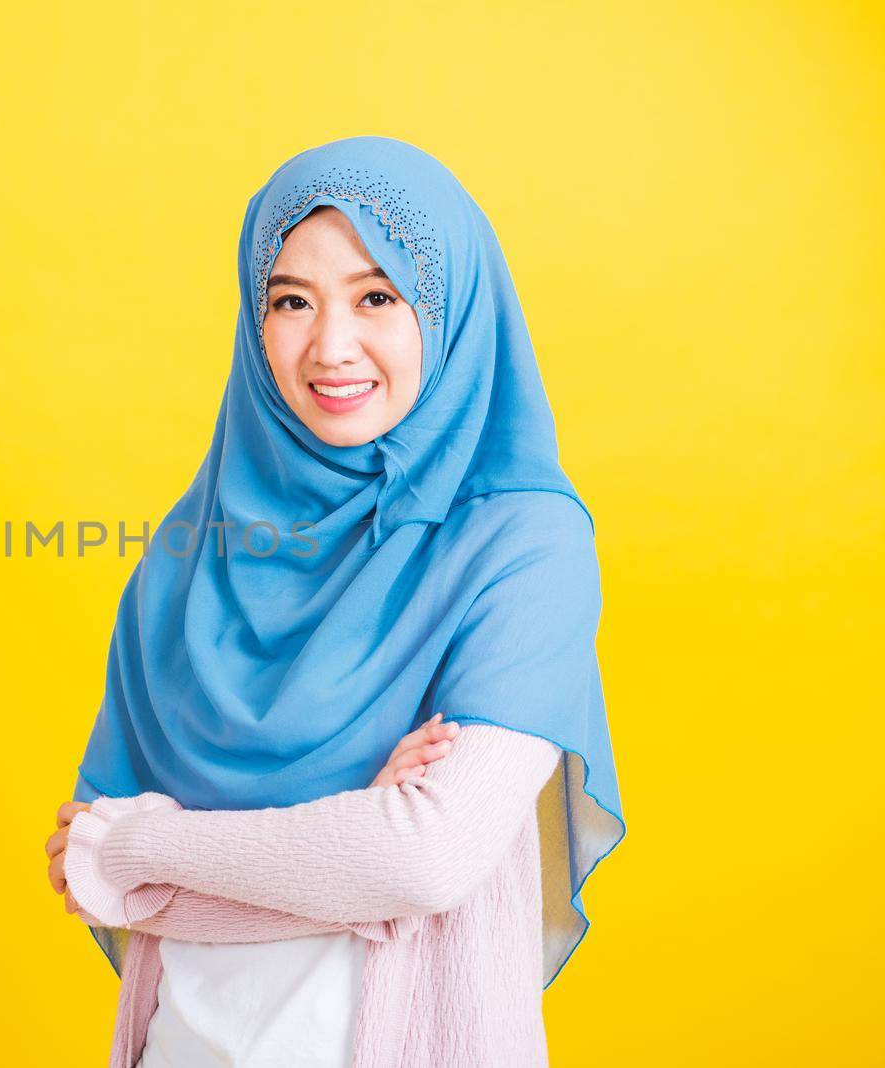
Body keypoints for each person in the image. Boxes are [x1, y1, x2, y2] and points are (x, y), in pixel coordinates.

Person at [42, 136, 625, 1067]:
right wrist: (348, 831)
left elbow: (424, 859)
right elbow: (91, 876)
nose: (331, 346)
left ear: (446, 309)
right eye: (291, 301)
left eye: (378, 297)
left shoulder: (524, 545)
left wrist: (147, 844)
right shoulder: (186, 560)